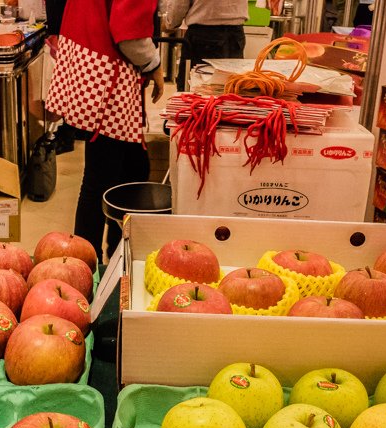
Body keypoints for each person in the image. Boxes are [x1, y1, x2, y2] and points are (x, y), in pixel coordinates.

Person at [45, 0, 164, 264]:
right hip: (109, 80)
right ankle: (85, 263)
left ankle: (118, 255)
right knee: (102, 178)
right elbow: (130, 35)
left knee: (131, 171)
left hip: (90, 65)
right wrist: (154, 65)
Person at [161, 0, 249, 90]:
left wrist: (170, 23)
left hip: (204, 35)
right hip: (235, 35)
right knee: (230, 86)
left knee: (197, 89)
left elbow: (180, 4)